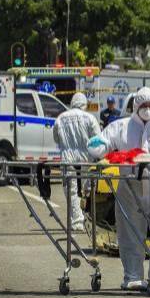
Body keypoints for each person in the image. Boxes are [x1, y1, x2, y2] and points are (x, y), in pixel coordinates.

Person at [87, 87, 150, 292]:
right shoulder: (121, 127)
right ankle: (132, 275)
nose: (147, 109)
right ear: (135, 107)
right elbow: (102, 141)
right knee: (130, 230)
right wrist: (98, 148)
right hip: (130, 186)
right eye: (143, 106)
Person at [53, 92, 101, 232]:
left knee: (71, 190)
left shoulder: (61, 118)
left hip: (68, 159)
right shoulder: (90, 118)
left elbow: (56, 138)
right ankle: (88, 219)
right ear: (84, 104)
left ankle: (77, 221)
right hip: (86, 159)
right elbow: (98, 139)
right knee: (87, 189)